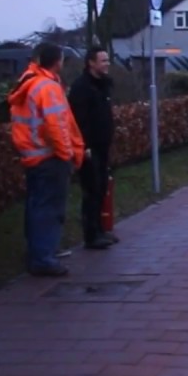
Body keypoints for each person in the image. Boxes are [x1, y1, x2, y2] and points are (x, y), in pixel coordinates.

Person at [8, 43, 85, 277]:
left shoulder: (26, 82)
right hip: (50, 158)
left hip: (32, 156)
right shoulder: (48, 87)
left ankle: (37, 253)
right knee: (50, 209)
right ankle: (44, 258)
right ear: (57, 62)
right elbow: (56, 125)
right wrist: (67, 154)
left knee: (36, 206)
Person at [68, 46, 116, 250]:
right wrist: (84, 145)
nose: (107, 64)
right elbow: (78, 120)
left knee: (101, 187)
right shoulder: (82, 88)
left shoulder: (102, 85)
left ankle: (100, 229)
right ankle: (91, 235)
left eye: (107, 60)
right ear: (91, 63)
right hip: (89, 148)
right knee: (92, 189)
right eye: (103, 61)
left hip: (103, 145)